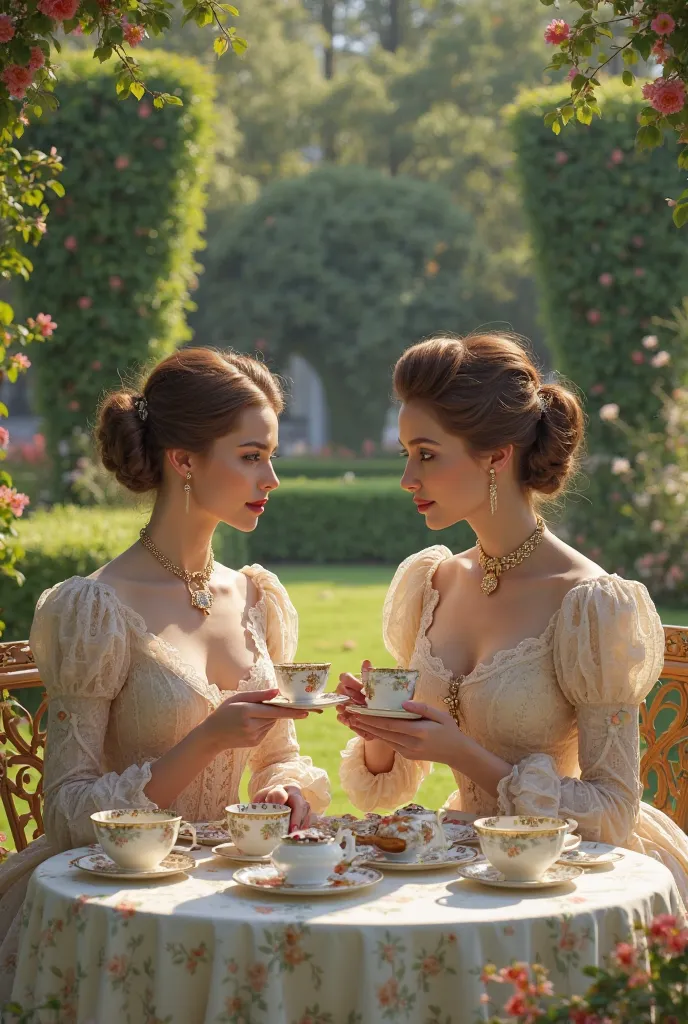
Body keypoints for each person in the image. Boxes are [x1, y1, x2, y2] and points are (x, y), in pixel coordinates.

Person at [0, 348, 330, 998]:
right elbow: (66, 815)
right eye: (250, 454)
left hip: (237, 896)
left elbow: (279, 757)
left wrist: (283, 791)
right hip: (117, 912)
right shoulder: (95, 609)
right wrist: (205, 741)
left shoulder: (257, 597)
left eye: (271, 453)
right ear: (183, 460)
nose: (272, 476)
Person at [336, 333, 688, 909]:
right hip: (460, 868)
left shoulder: (591, 604)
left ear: (498, 454)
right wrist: (381, 731)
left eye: (426, 453)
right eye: (406, 454)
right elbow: (390, 781)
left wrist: (460, 752)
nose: (408, 478)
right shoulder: (433, 582)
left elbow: (612, 813)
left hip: (568, 881)